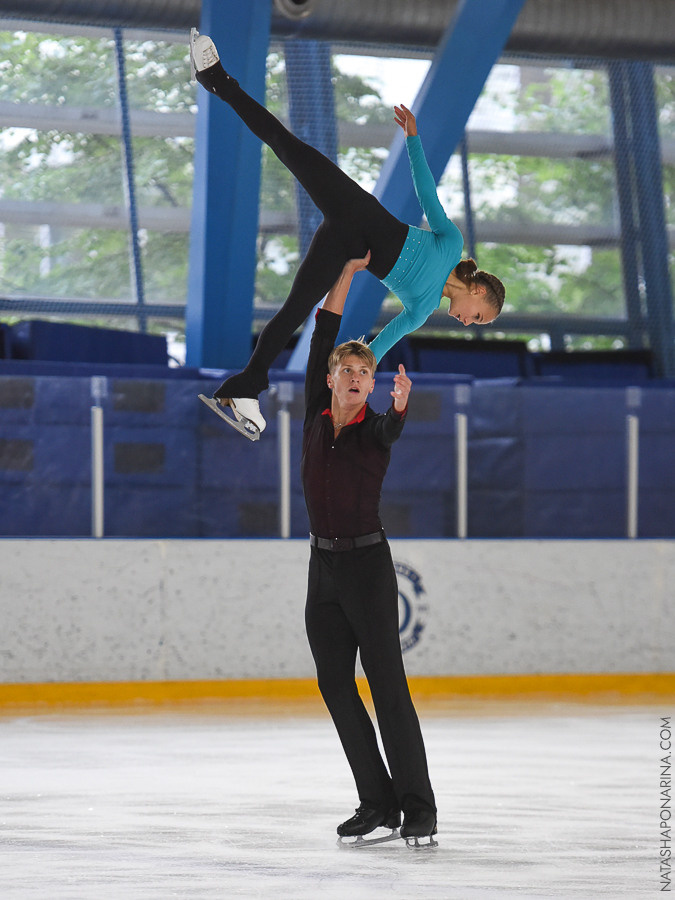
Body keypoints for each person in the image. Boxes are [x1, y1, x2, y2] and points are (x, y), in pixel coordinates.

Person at [190, 31, 505, 436]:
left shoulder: (421, 309)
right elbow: (428, 195)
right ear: (478, 292)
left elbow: (371, 353)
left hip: (345, 247)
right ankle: (215, 78)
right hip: (355, 207)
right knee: (286, 145)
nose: (466, 323)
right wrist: (413, 140)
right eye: (476, 317)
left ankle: (246, 387)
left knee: (294, 310)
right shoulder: (452, 245)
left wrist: (354, 383)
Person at [301, 250, 437, 849]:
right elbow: (322, 333)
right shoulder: (312, 413)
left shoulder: (374, 431)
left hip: (366, 567)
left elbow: (390, 428)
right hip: (322, 567)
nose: (357, 379)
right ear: (331, 379)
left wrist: (401, 408)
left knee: (387, 686)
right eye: (348, 372)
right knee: (335, 684)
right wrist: (347, 274)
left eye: (366, 374)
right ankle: (376, 802)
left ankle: (418, 807)